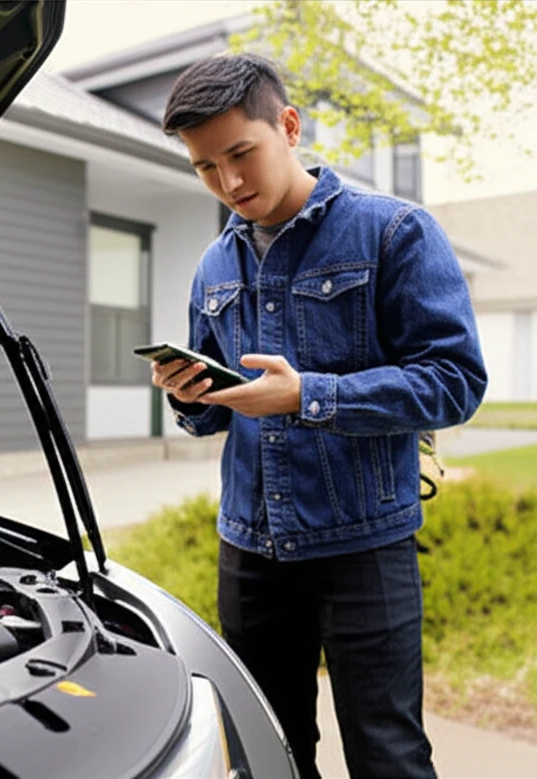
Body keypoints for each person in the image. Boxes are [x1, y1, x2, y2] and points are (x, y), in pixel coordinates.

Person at [152, 53, 486, 779]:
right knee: (268, 751)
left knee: (388, 753)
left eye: (242, 153)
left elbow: (454, 382)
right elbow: (214, 418)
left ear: (290, 126)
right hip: (249, 548)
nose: (230, 182)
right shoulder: (214, 265)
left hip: (365, 542)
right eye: (207, 168)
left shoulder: (394, 232)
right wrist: (187, 394)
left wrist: (309, 395)